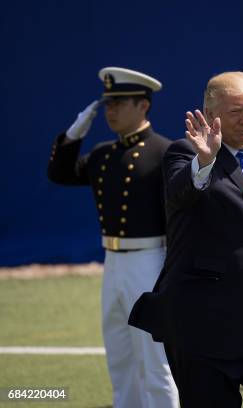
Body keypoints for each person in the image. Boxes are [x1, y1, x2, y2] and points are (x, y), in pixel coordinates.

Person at [129, 71, 243, 407]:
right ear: (211, 113)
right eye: (237, 112)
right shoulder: (184, 154)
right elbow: (179, 194)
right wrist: (204, 161)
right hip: (207, 328)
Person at [47, 67, 179, 407]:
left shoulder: (166, 153)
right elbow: (60, 174)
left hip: (151, 261)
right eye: (108, 104)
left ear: (143, 106)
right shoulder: (104, 155)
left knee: (155, 357)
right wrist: (74, 135)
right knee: (119, 354)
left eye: (120, 103)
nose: (111, 111)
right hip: (113, 262)